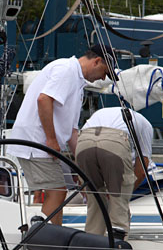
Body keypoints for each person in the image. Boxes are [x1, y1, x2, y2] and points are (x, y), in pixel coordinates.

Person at [7, 45, 116, 225]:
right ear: (97, 61)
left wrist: (85, 163)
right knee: (57, 191)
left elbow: (72, 132)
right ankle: (45, 240)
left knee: (59, 191)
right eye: (105, 72)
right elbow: (44, 99)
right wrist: (50, 139)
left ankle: (53, 238)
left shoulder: (78, 82)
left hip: (41, 143)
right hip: (36, 141)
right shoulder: (66, 70)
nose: (103, 78)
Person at [76, 107, 153, 237]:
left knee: (95, 201)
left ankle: (91, 246)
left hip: (84, 139)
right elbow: (142, 167)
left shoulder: (99, 112)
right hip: (115, 140)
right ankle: (116, 247)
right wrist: (124, 192)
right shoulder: (146, 125)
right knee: (118, 204)